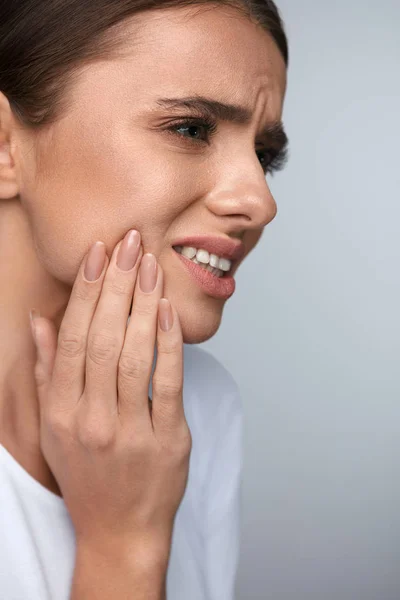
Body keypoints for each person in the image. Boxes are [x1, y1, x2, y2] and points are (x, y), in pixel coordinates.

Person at [0, 1, 289, 598]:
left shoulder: (199, 405)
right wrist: (121, 544)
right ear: (6, 146)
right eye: (191, 128)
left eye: (264, 156)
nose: (260, 202)